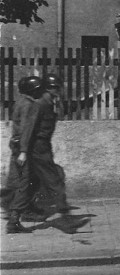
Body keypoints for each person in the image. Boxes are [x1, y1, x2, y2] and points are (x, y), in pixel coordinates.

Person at [28, 74, 72, 219]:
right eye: (56, 88)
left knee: (34, 179)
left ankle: (26, 209)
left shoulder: (50, 102)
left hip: (42, 144)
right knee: (53, 176)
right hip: (38, 145)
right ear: (49, 88)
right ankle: (62, 207)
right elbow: (30, 127)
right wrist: (24, 149)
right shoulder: (41, 104)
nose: (59, 90)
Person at [5, 75, 43, 234]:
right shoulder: (30, 105)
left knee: (28, 179)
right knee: (25, 183)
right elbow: (26, 130)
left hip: (17, 145)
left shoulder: (20, 102)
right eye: (37, 89)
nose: (39, 92)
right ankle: (14, 220)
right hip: (24, 147)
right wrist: (24, 151)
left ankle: (27, 210)